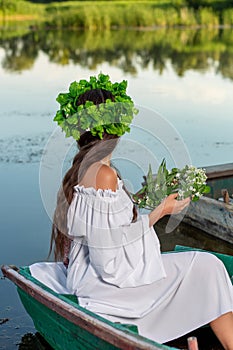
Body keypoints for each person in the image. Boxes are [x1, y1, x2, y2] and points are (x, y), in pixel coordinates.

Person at [30, 73, 233, 349]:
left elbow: (105, 227)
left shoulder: (83, 169)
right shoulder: (103, 174)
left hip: (97, 278)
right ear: (115, 129)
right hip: (108, 289)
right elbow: (107, 257)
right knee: (208, 267)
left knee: (206, 267)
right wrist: (161, 211)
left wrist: (137, 204)